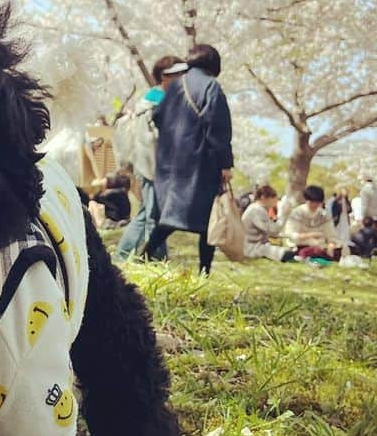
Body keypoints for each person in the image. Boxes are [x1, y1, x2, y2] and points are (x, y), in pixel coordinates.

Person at [144, 43, 234, 275]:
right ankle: (204, 271)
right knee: (207, 219)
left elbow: (157, 117)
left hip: (169, 164)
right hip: (200, 164)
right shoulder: (210, 86)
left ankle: (144, 254)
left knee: (171, 215)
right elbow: (218, 128)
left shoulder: (174, 86)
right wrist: (225, 163)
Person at [115, 54, 187, 261]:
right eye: (177, 74)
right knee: (153, 214)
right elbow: (151, 139)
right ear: (164, 76)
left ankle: (124, 255)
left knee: (147, 211)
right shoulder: (156, 99)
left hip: (150, 163)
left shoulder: (154, 98)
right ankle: (156, 258)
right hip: (152, 164)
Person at [241, 185, 296, 262]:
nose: (275, 202)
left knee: (289, 251)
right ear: (263, 197)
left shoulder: (259, 209)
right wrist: (283, 214)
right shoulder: (256, 210)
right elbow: (273, 231)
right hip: (250, 247)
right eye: (273, 198)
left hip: (257, 245)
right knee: (287, 254)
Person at [286, 185, 341, 262]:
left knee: (337, 251)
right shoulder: (297, 213)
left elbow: (331, 235)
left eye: (318, 202)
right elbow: (291, 234)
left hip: (320, 246)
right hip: (301, 245)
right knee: (306, 252)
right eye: (312, 202)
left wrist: (331, 245)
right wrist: (311, 235)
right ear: (306, 199)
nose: (315, 205)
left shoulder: (324, 215)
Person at [330, 186, 354, 257]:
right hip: (339, 218)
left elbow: (350, 210)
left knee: (345, 230)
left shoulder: (347, 201)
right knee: (339, 230)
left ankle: (345, 241)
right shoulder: (336, 201)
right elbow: (334, 211)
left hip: (345, 218)